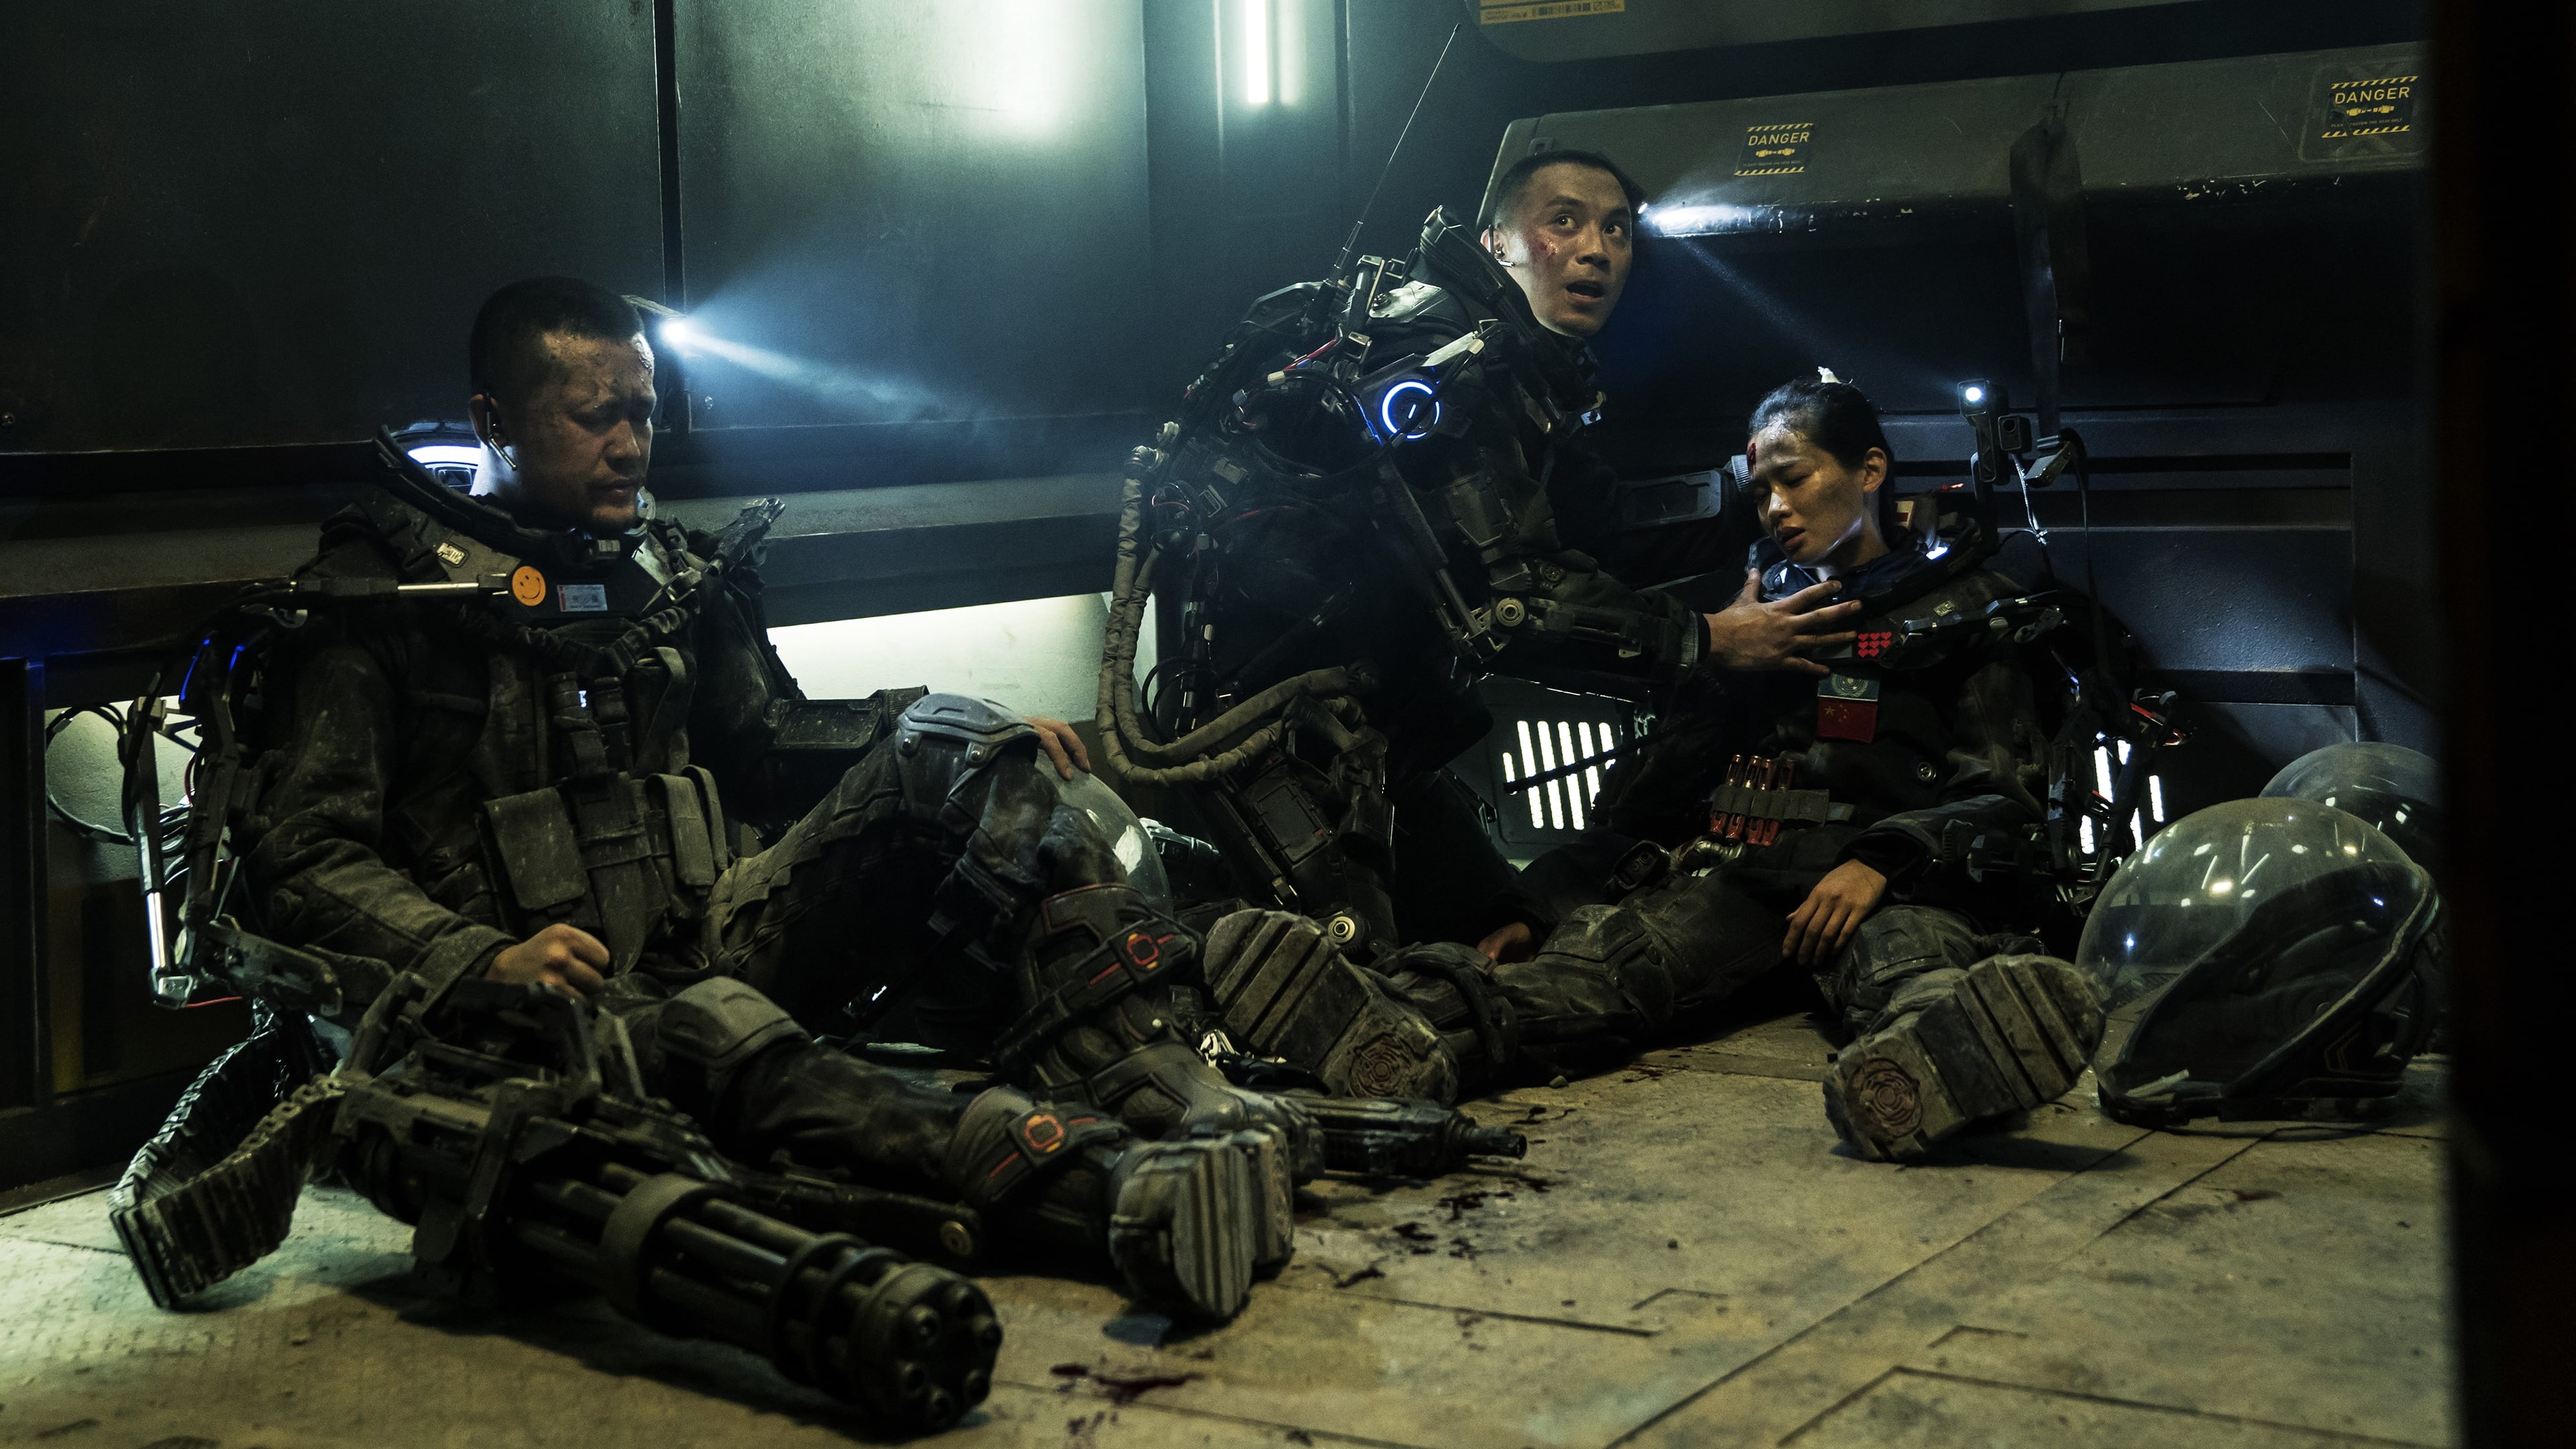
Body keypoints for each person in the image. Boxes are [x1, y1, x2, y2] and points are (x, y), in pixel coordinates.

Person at [237, 276, 1311, 1319]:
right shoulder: (382, 596)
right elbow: (305, 858)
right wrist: (477, 963)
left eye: (643, 412)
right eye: (596, 416)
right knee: (724, 1039)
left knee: (966, 747)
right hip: (525, 1015)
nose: (630, 443)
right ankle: (1106, 1184)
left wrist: (958, 732)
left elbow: (767, 743)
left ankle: (1168, 1084)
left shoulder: (663, 570)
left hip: (709, 933)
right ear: (494, 420)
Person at [1102, 152, 1858, 1097]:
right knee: (1348, 1020)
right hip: (1276, 738)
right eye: (1565, 221)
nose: (1596, 250)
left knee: (1495, 939)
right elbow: (1514, 603)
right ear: (1498, 240)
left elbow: (1600, 533)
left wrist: (1759, 496)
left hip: (1374, 740)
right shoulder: (1442, 356)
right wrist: (1710, 637)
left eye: (1617, 229)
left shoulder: (1517, 375)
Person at [1202, 377, 2106, 1161]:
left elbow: (2006, 795)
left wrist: (1883, 861)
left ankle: (1926, 1076)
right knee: (1608, 966)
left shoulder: (1967, 612)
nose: (1776, 509)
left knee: (1914, 965)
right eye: (1760, 491)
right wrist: (1534, 906)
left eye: (1795, 479)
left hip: (1891, 891)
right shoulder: (1746, 626)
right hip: (1748, 883)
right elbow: (1650, 805)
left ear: (1869, 471)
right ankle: (1375, 1029)